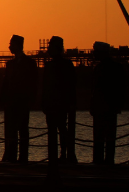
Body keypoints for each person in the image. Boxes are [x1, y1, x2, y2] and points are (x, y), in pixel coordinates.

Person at [42, 36, 76, 179]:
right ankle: (62, 154)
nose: (48, 49)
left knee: (60, 129)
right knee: (59, 129)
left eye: (50, 47)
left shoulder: (57, 66)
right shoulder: (63, 65)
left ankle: (63, 154)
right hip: (56, 103)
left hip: (58, 103)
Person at [0, 35, 37, 163]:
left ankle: (23, 157)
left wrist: (30, 99)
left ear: (18, 45)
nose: (9, 46)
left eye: (11, 44)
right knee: (12, 131)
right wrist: (3, 99)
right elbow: (6, 83)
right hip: (11, 103)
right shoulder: (10, 64)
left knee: (22, 130)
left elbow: (33, 83)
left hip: (22, 102)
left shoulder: (29, 63)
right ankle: (12, 156)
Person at [90, 41, 124, 165]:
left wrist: (93, 105)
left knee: (99, 136)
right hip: (111, 107)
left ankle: (98, 161)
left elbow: (95, 88)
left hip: (101, 107)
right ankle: (109, 160)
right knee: (110, 136)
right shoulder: (117, 67)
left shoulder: (99, 68)